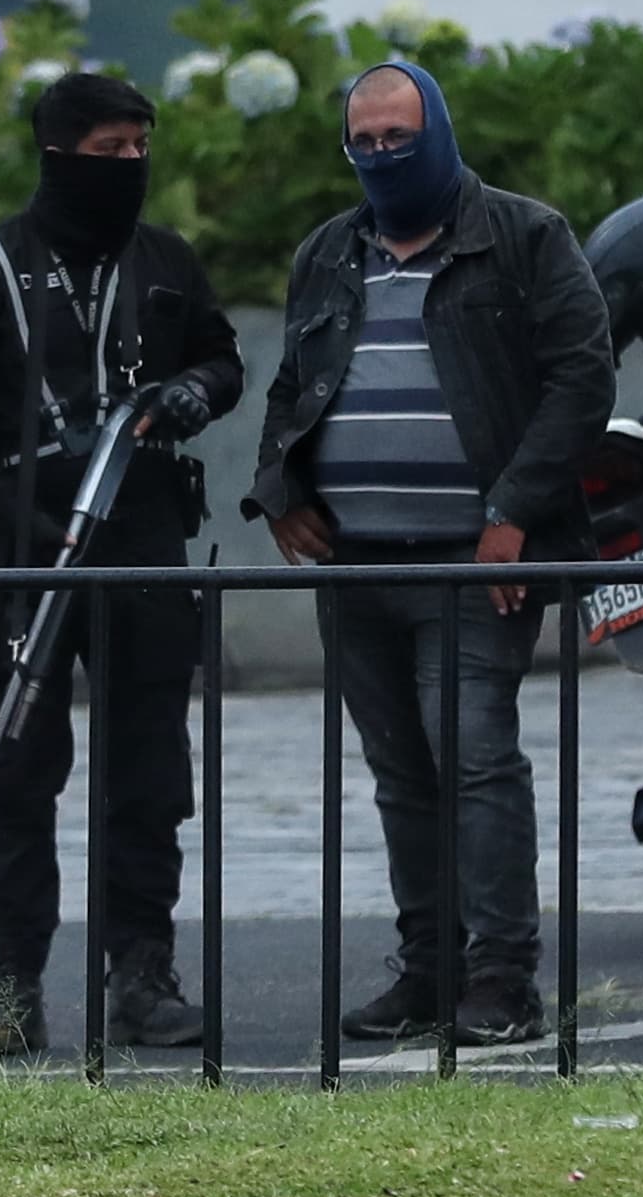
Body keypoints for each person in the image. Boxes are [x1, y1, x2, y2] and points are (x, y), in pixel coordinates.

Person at [250, 59, 615, 1047]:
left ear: (438, 131)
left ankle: (501, 977)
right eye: (362, 142)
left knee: (475, 763)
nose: (379, 155)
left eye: (396, 137)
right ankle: (428, 969)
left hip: (473, 562)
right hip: (356, 566)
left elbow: (582, 381)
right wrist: (280, 497)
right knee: (400, 775)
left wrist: (513, 512)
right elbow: (292, 388)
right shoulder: (328, 252)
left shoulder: (525, 237)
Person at [0, 69, 242, 1056]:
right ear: (61, 153)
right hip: (25, 551)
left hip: (144, 540)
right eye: (109, 152)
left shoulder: (165, 262)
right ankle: (9, 991)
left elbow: (225, 359)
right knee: (15, 770)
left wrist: (195, 390)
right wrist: (9, 498)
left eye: (140, 150)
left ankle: (141, 971)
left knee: (148, 772)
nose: (129, 167)